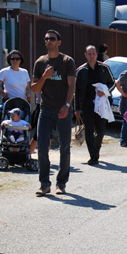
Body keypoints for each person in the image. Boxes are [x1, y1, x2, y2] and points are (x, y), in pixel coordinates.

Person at [32, 29, 76, 196]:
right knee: (42, 147)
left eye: (51, 38)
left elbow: (72, 85)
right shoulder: (40, 62)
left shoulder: (67, 61)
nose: (48, 41)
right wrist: (44, 77)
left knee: (64, 147)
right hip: (46, 109)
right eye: (46, 38)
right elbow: (34, 88)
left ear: (59, 42)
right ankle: (44, 184)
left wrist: (66, 105)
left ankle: (61, 183)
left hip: (63, 110)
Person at [75, 45, 115, 165]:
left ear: (97, 55)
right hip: (87, 104)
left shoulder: (104, 68)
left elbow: (113, 83)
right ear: (85, 55)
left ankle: (96, 150)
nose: (91, 56)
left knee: (101, 129)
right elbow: (76, 91)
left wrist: (105, 92)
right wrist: (77, 109)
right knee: (89, 131)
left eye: (93, 53)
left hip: (101, 103)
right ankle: (93, 156)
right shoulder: (81, 71)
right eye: (89, 54)